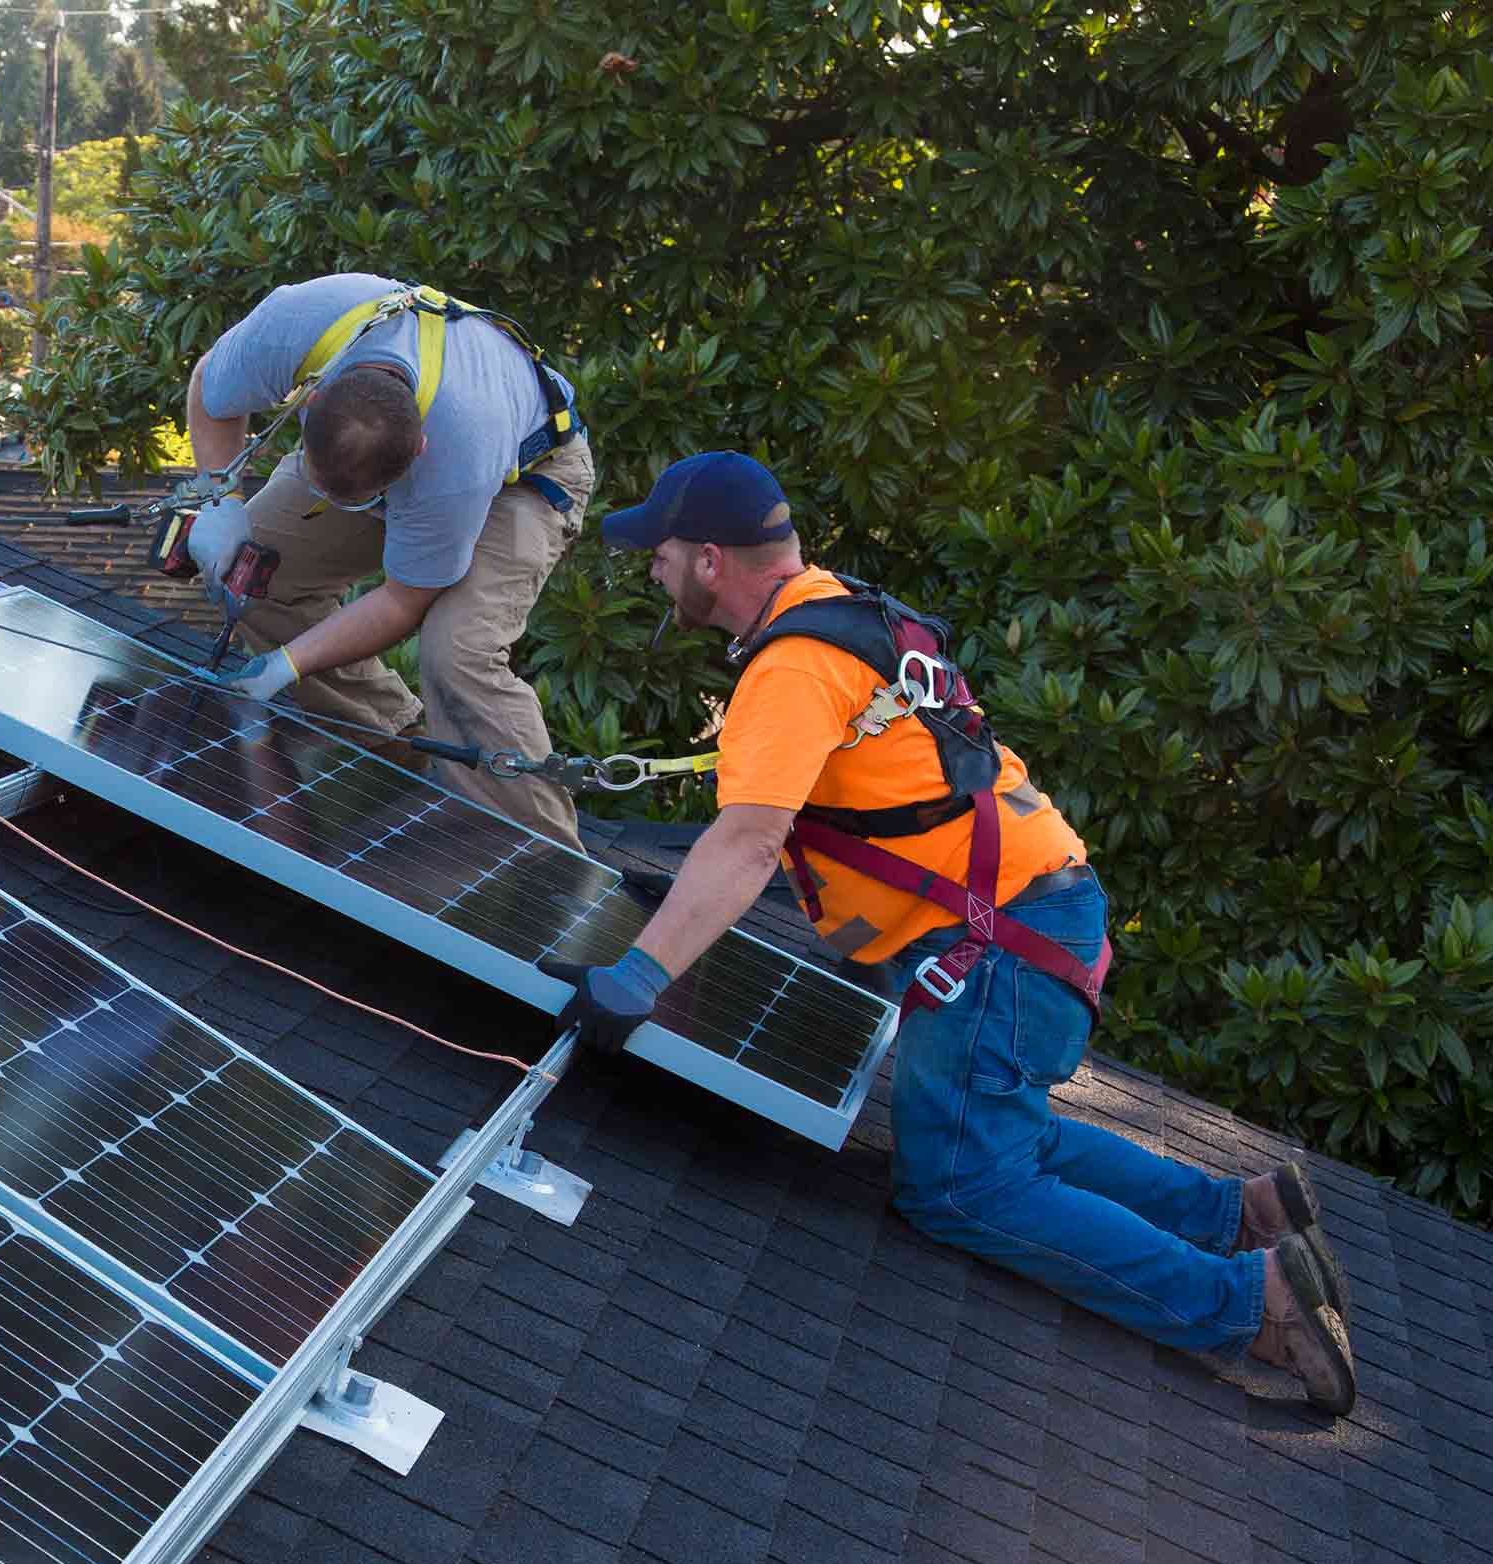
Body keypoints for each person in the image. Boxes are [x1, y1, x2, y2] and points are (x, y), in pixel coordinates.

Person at [541, 451, 1359, 1416]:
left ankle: (1248, 1304)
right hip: (1032, 913)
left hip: (997, 946)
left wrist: (639, 976)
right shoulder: (843, 609)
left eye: (662, 552)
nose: (653, 569)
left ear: (710, 559)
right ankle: (1239, 1214)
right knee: (999, 1127)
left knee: (963, 1185)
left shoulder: (792, 668)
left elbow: (753, 839)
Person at [182, 273, 592, 847]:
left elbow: (404, 600)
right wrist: (218, 499)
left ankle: (543, 862)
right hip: (389, 446)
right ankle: (396, 750)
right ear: (318, 397)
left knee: (458, 653)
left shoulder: (456, 458)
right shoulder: (294, 324)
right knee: (259, 571)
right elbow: (209, 386)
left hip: (525, 478)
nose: (330, 508)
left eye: (351, 503)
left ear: (416, 453)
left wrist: (288, 664)